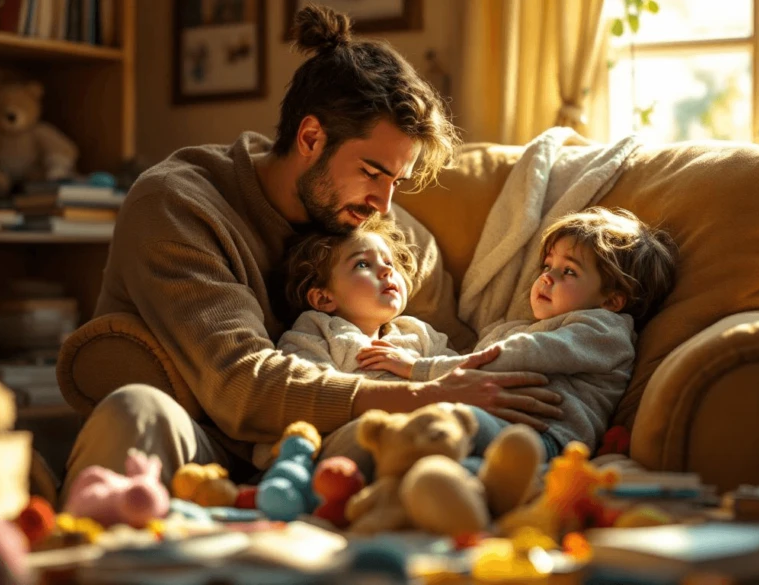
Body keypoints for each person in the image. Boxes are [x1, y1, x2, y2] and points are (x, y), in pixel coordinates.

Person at [59, 5, 563, 503]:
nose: (384, 203)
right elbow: (243, 385)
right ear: (310, 137)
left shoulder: (381, 229)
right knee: (134, 411)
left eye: (396, 181)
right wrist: (425, 394)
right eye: (371, 171)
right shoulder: (178, 205)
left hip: (334, 457)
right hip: (211, 451)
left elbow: (452, 351)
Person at [277, 206, 678, 467]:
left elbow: (513, 357)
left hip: (543, 437)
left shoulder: (604, 330)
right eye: (548, 265)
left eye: (568, 271)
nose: (547, 276)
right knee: (444, 450)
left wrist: (418, 367)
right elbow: (293, 389)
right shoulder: (315, 333)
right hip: (492, 433)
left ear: (613, 299)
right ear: (323, 296)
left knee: (450, 421)